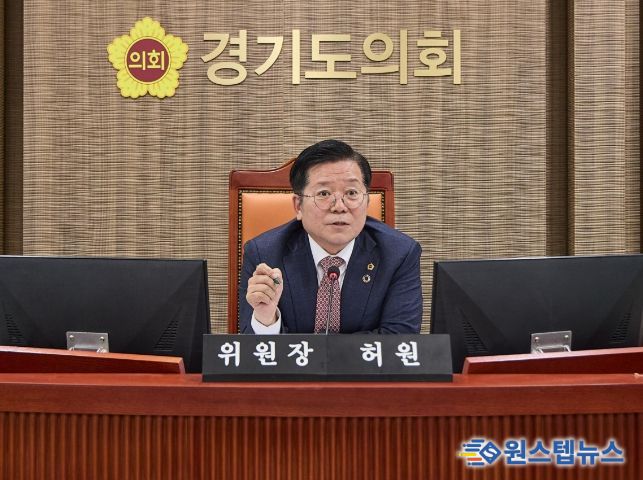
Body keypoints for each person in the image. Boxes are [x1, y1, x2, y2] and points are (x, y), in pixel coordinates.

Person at [239, 139, 422, 334]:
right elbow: (251, 345)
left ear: (367, 202)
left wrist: (325, 350)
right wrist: (267, 320)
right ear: (298, 206)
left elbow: (400, 338)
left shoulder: (399, 254)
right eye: (324, 193)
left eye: (351, 192)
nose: (339, 207)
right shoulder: (264, 254)